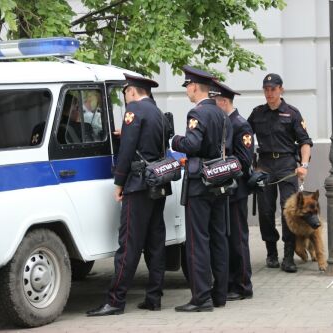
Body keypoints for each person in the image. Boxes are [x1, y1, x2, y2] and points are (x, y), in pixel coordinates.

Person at [86, 74, 170, 316]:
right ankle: (154, 297)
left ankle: (115, 300)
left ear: (132, 91)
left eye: (125, 94)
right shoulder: (158, 113)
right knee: (156, 243)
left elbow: (127, 150)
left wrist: (119, 182)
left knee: (129, 245)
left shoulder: (134, 111)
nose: (125, 99)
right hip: (158, 183)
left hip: (138, 185)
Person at [172, 66, 232, 312]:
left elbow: (192, 144)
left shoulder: (197, 113)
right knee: (218, 238)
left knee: (198, 240)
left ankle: (201, 298)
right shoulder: (221, 114)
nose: (187, 90)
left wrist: (174, 140)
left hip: (200, 182)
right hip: (219, 179)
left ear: (195, 87)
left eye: (187, 86)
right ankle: (220, 295)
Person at [247, 73, 313, 273]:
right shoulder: (257, 113)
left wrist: (304, 165)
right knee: (266, 212)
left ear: (281, 90)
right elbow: (245, 137)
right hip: (265, 165)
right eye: (266, 89)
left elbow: (305, 142)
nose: (269, 93)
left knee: (288, 212)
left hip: (286, 166)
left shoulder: (292, 113)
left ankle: (288, 256)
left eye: (273, 89)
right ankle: (271, 253)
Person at [210, 80, 254, 301]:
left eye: (214, 102)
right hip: (223, 191)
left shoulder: (240, 125)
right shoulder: (225, 123)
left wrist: (222, 167)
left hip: (236, 191)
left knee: (238, 239)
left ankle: (243, 285)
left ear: (223, 101)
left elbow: (244, 161)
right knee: (225, 239)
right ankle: (227, 283)